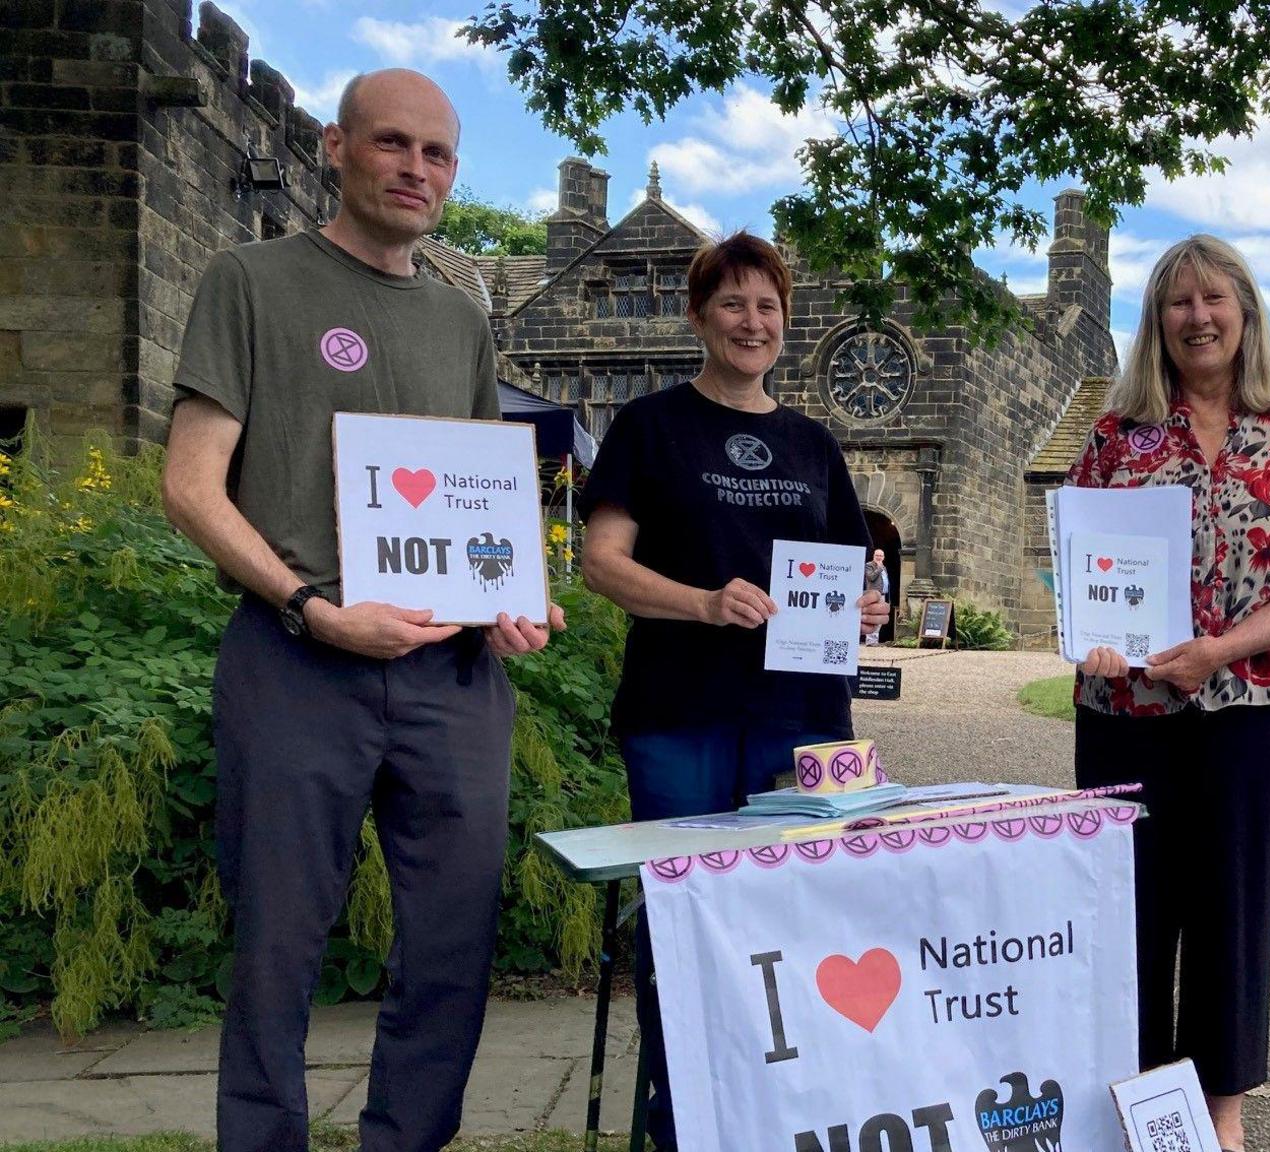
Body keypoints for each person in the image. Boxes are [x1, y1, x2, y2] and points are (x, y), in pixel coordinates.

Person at [160, 69, 564, 1152]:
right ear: (336, 147)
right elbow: (191, 484)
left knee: (450, 944)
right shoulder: (251, 281)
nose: (415, 170)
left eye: (436, 154)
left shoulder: (459, 318)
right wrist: (308, 604)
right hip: (299, 662)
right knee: (278, 946)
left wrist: (508, 600)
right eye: (393, 144)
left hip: (449, 679)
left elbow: (483, 492)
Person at [578, 231, 889, 1151]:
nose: (752, 322)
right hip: (679, 716)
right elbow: (601, 564)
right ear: (697, 316)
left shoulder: (812, 444)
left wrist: (865, 611)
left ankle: (782, 1115)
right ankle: (680, 1117)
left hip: (802, 722)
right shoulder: (650, 426)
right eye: (732, 304)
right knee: (685, 919)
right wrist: (704, 604)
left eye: (768, 307)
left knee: (799, 919)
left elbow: (847, 576)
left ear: (785, 323)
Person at [1066, 234, 1270, 1152]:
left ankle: (1220, 1122)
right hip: (1129, 720)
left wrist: (1218, 651)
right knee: (1132, 918)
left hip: (1255, 718)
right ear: (1156, 323)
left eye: (1213, 299)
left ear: (1246, 312)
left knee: (1233, 921)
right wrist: (1096, 639)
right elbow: (1081, 569)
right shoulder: (1115, 438)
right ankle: (1140, 1116)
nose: (1198, 317)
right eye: (1178, 303)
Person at [863, 547, 889, 644]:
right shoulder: (869, 565)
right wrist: (878, 568)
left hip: (882, 595)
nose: (879, 557)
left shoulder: (884, 567)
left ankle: (874, 639)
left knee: (879, 618)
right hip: (873, 595)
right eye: (877, 555)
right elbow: (871, 577)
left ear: (884, 557)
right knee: (872, 617)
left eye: (881, 555)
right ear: (874, 556)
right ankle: (870, 640)